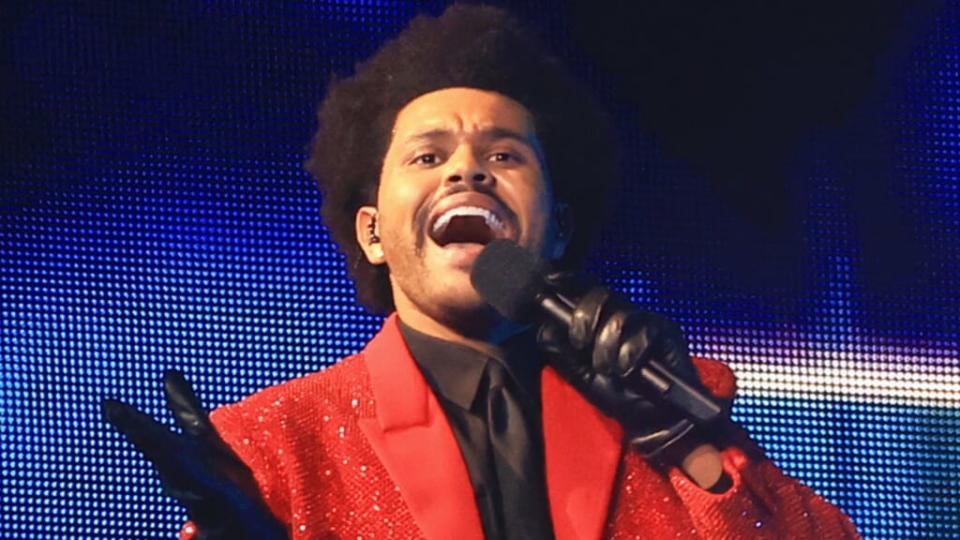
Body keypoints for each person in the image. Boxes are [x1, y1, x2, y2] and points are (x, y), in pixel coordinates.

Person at [103, 5, 859, 539]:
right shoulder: (271, 450)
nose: (468, 169)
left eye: (505, 155)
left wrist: (685, 438)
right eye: (428, 156)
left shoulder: (658, 419)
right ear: (372, 232)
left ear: (557, 227)